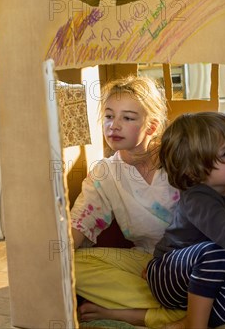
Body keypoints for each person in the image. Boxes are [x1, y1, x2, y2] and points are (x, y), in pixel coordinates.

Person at [70, 75, 185, 327]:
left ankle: (124, 314)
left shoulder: (181, 160)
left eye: (128, 118)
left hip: (193, 264)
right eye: (109, 116)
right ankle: (179, 313)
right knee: (70, 265)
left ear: (152, 126)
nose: (114, 125)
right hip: (145, 264)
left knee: (217, 286)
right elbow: (78, 226)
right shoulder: (104, 173)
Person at [146, 112, 225, 329]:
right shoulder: (196, 198)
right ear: (193, 171)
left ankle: (186, 320)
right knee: (212, 251)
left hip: (202, 285)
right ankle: (193, 325)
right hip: (170, 275)